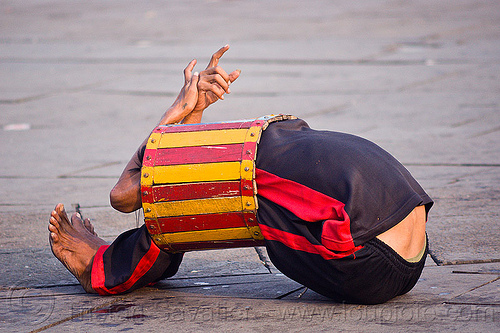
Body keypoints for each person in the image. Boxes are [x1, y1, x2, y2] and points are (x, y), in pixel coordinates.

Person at [49, 46, 433, 304]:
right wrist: (191, 115)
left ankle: (100, 267)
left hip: (366, 264)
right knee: (221, 198)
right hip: (411, 257)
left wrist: (175, 111)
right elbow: (178, 173)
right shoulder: (282, 138)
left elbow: (125, 195)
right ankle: (115, 256)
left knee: (198, 212)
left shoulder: (260, 158)